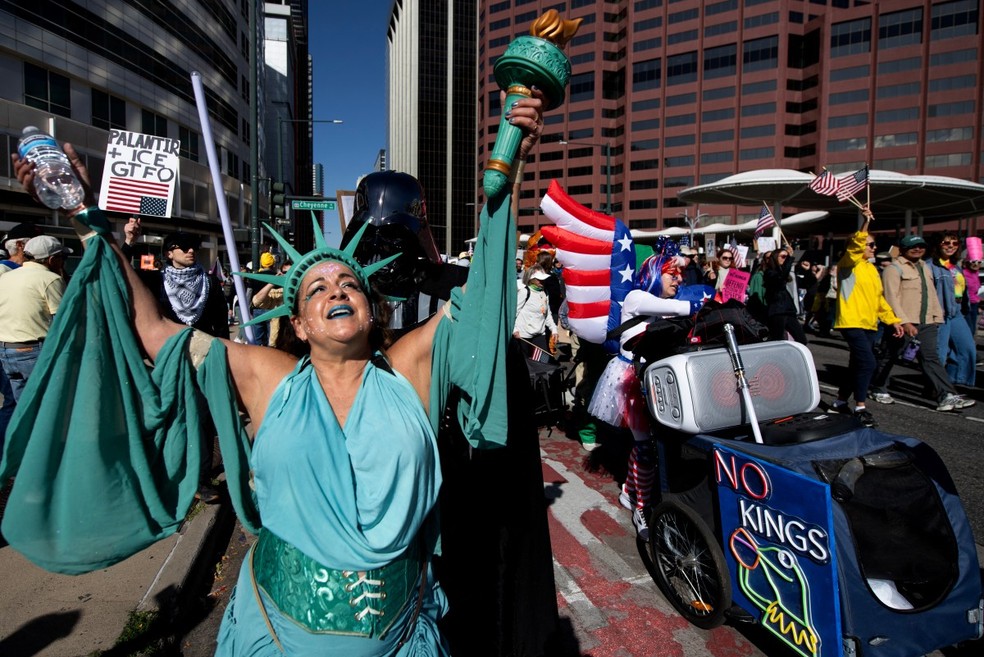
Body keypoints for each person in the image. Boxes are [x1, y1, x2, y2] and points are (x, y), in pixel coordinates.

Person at [9, 91, 544, 655]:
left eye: (348, 284)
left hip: (402, 638)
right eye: (318, 289)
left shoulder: (411, 368)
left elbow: (485, 300)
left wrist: (509, 168)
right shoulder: (268, 376)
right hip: (275, 639)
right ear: (300, 323)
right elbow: (152, 329)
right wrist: (86, 219)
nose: (336, 290)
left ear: (370, 307)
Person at [587, 243, 696, 541]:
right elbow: (679, 308)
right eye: (671, 274)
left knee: (656, 445)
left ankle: (629, 490)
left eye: (680, 275)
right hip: (632, 382)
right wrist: (705, 298)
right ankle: (642, 508)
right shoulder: (638, 298)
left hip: (657, 381)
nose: (678, 280)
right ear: (653, 273)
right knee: (646, 448)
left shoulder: (658, 301)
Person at [870, 234, 973, 412]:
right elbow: (891, 298)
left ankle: (946, 395)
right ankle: (878, 387)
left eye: (921, 246)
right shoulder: (893, 269)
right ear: (902, 249)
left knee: (931, 358)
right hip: (903, 322)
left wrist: (936, 317)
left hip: (927, 322)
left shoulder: (924, 267)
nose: (917, 249)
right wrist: (904, 322)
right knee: (890, 355)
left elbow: (931, 294)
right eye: (913, 247)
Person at [828, 210, 903, 427]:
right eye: (870, 245)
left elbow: (879, 300)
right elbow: (854, 247)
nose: (874, 248)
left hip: (869, 324)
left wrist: (893, 320)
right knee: (868, 362)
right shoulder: (847, 263)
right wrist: (864, 224)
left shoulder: (872, 269)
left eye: (873, 245)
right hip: (851, 322)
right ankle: (860, 407)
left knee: (856, 365)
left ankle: (840, 401)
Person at [0, 235, 70, 454]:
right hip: (34, 351)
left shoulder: (7, 277)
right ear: (51, 260)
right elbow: (64, 322)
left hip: (6, 350)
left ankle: (14, 456)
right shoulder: (49, 280)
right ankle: (42, 458)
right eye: (60, 258)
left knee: (18, 408)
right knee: (46, 410)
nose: (62, 262)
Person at [929, 233, 976, 388]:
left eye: (954, 243)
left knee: (967, 348)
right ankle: (936, 388)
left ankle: (955, 383)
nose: (951, 246)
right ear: (938, 245)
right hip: (940, 314)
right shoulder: (930, 266)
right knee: (939, 354)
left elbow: (962, 291)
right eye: (946, 243)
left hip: (957, 312)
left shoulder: (955, 267)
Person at [761, 244, 808, 345]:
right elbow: (780, 281)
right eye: (783, 257)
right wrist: (790, 259)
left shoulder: (784, 272)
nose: (785, 259)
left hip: (789, 311)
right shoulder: (769, 273)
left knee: (802, 340)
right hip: (778, 312)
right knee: (777, 341)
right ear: (775, 258)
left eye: (786, 257)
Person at [961, 255, 981, 336]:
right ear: (967, 263)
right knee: (969, 329)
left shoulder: (976, 273)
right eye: (973, 262)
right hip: (965, 305)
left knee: (973, 329)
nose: (976, 264)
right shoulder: (963, 274)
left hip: (974, 304)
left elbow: (976, 290)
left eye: (979, 262)